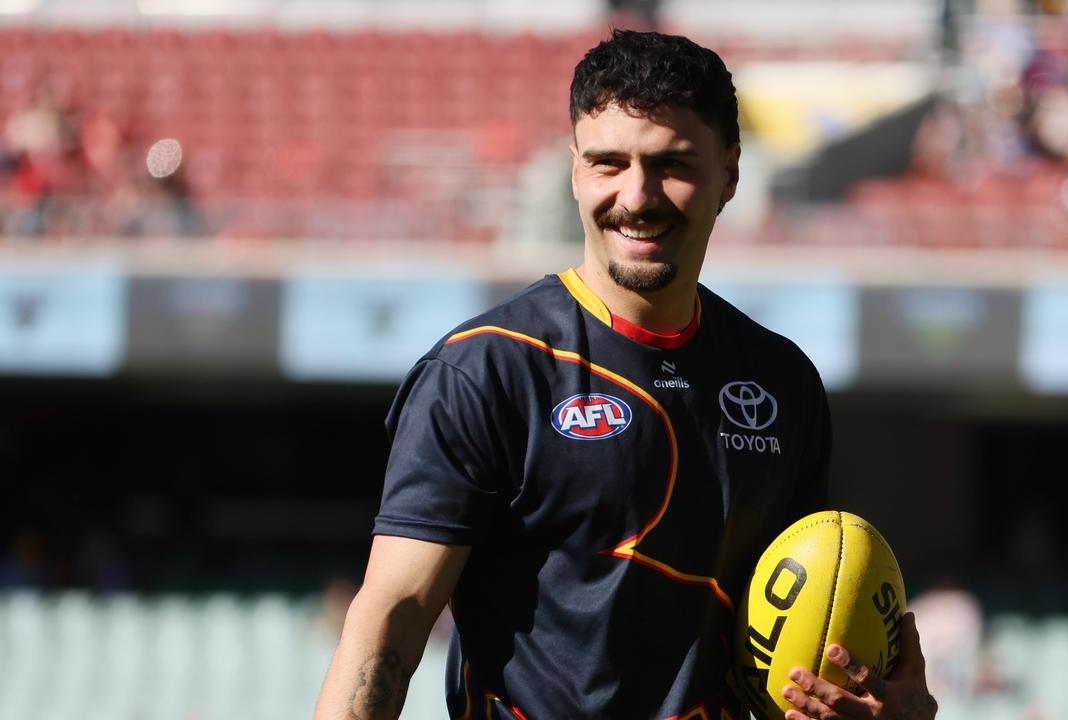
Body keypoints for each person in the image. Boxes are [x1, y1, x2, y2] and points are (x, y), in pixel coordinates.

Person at [315, 29, 936, 720]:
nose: (637, 196)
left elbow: (795, 640)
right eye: (609, 163)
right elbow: (391, 620)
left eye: (672, 164)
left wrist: (879, 706)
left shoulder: (782, 382)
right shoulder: (486, 369)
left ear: (730, 172)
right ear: (576, 171)